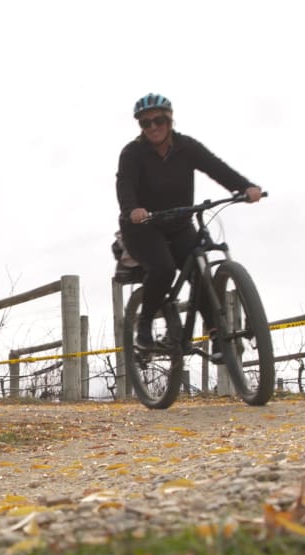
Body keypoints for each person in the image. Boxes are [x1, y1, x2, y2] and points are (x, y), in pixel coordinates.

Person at [116, 93, 263, 361]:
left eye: (158, 120)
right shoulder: (132, 153)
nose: (153, 127)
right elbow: (124, 185)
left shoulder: (186, 147)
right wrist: (132, 210)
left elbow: (216, 168)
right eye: (145, 123)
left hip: (180, 222)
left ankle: (217, 333)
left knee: (199, 268)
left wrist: (244, 187)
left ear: (170, 120)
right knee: (162, 267)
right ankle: (145, 324)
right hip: (142, 227)